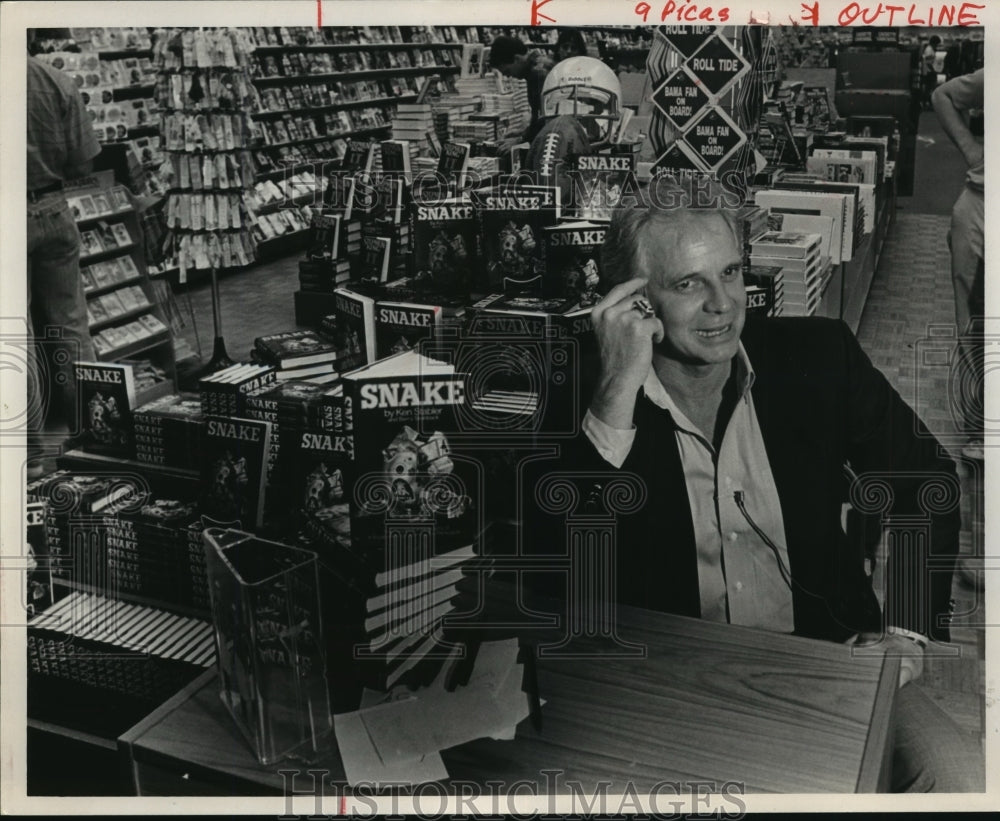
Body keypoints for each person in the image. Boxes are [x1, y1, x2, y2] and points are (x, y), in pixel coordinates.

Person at [531, 177, 981, 792]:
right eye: (688, 283)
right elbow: (555, 582)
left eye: (732, 273)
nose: (723, 305)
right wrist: (614, 400)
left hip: (833, 655)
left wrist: (904, 636)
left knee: (956, 774)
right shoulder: (584, 397)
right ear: (635, 303)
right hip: (671, 686)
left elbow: (924, 480)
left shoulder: (819, 356)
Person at [26, 47, 102, 467]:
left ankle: (32, 454)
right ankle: (94, 431)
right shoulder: (54, 78)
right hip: (55, 208)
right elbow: (84, 159)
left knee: (12, 332)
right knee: (71, 324)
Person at [932, 68, 984, 461]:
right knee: (974, 316)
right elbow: (943, 96)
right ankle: (981, 427)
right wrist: (973, 152)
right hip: (983, 201)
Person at [488, 35, 556, 144]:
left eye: (508, 71)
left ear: (517, 59)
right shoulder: (538, 65)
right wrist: (524, 132)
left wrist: (521, 140)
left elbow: (543, 118)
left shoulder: (537, 73)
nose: (509, 76)